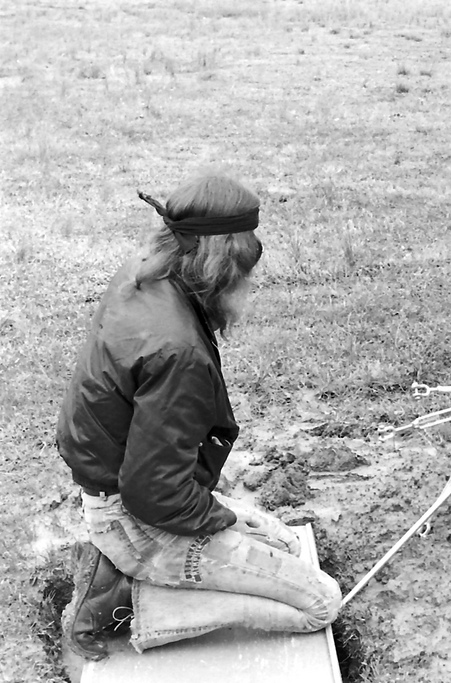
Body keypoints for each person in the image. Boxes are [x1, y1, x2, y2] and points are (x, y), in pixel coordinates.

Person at [57, 172, 342, 660]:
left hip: (122, 492)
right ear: (223, 268)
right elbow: (153, 494)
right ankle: (126, 600)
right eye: (246, 274)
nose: (248, 288)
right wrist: (221, 518)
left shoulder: (147, 273)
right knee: (320, 603)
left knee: (284, 545)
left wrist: (222, 519)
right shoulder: (177, 350)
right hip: (135, 519)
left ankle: (132, 573)